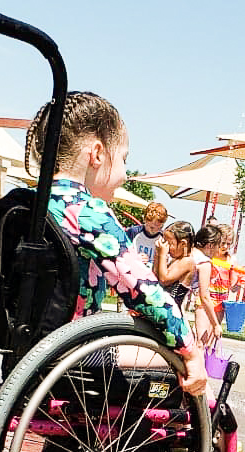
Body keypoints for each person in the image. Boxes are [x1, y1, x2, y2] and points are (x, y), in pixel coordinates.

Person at [26, 90, 206, 396]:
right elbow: (144, 291)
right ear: (97, 154)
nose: (123, 175)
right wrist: (191, 351)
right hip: (68, 349)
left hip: (24, 343)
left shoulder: (27, 204)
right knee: (181, 366)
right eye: (123, 159)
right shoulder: (86, 212)